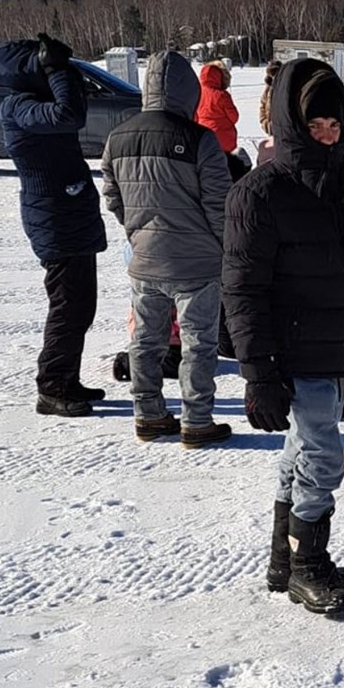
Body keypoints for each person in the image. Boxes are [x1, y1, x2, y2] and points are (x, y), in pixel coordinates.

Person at [223, 57, 344, 615]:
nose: (326, 137)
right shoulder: (259, 193)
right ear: (291, 125)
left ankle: (284, 557)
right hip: (290, 352)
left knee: (300, 451)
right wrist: (259, 375)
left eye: (334, 127)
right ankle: (308, 567)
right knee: (323, 459)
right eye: (314, 127)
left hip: (337, 349)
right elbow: (242, 291)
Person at [100, 51, 233, 446]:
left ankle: (148, 414)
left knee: (145, 341)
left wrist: (137, 232)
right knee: (198, 343)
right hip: (196, 264)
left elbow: (113, 196)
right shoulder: (200, 139)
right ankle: (196, 420)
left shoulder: (118, 136)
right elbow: (218, 206)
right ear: (188, 91)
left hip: (145, 260)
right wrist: (224, 249)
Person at [0, 33, 108, 417]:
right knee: (68, 306)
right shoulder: (19, 107)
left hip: (67, 212)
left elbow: (74, 104)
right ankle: (53, 386)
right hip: (55, 217)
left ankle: (67, 378)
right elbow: (69, 115)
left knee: (80, 306)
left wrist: (62, 71)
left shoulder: (32, 102)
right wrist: (55, 69)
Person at [196, 61, 249, 182]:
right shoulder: (221, 95)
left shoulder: (197, 93)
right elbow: (234, 117)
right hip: (224, 138)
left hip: (204, 137)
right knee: (226, 168)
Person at [256, 60, 282, 167]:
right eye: (271, 73)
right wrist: (264, 122)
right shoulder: (268, 89)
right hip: (270, 129)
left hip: (283, 131)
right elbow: (262, 106)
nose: (273, 76)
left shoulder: (285, 89)